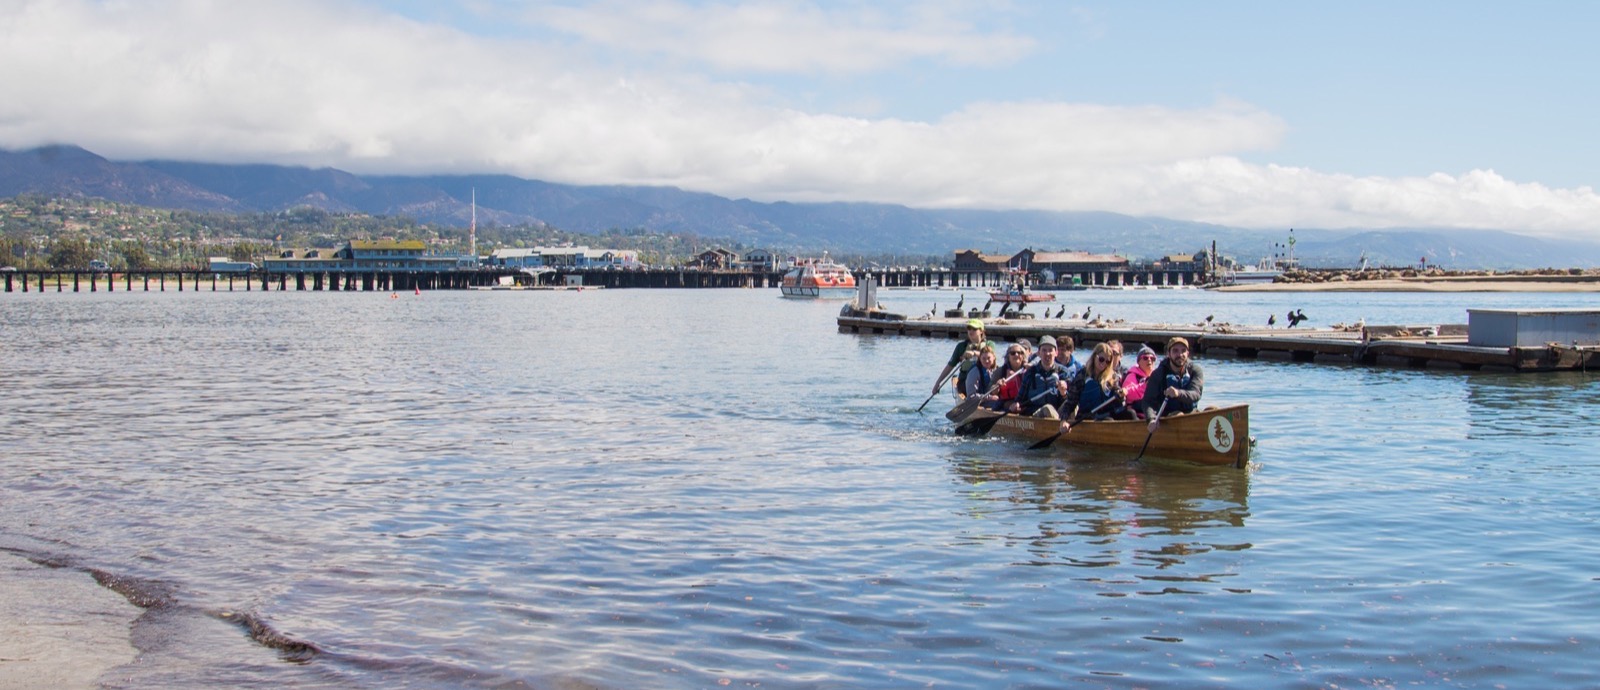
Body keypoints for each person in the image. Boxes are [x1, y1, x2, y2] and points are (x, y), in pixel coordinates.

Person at [1142, 336, 1204, 429]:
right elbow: (1148, 401)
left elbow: (1196, 394)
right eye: (1175, 351)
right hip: (1169, 416)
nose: (1180, 354)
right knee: (1179, 416)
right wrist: (1151, 419)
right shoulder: (1159, 374)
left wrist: (1178, 393)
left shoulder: (1195, 370)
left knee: (1213, 409)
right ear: (1168, 354)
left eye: (1183, 351)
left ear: (1188, 353)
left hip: (1192, 413)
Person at [1060, 342, 1127, 426]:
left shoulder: (1112, 377)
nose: (1104, 363)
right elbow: (1070, 403)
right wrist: (1063, 421)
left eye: (1108, 361)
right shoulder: (1082, 375)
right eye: (1101, 359)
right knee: (1108, 421)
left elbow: (1119, 398)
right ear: (1095, 356)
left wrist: (1121, 395)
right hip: (1087, 416)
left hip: (1107, 414)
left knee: (1130, 413)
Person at [1012, 335, 1070, 418]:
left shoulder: (1063, 372)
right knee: (1047, 408)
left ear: (1056, 353)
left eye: (1050, 350)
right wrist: (1016, 404)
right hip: (1035, 414)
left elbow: (1070, 399)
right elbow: (1020, 398)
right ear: (1039, 353)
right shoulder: (1031, 372)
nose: (1047, 354)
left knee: (1073, 407)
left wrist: (1064, 393)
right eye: (1044, 350)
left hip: (1059, 415)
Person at [932, 319, 994, 397]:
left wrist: (974, 353)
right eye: (969, 328)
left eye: (974, 329)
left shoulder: (989, 345)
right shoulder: (961, 347)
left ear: (981, 331)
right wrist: (938, 383)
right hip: (965, 381)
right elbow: (950, 366)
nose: (971, 331)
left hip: (986, 380)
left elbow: (992, 357)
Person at [985, 343, 1031, 410]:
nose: (1016, 355)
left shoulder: (1029, 370)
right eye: (1013, 353)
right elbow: (990, 390)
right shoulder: (1000, 371)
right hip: (1006, 403)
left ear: (1023, 356)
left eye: (1019, 353)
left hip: (1024, 402)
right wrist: (997, 386)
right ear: (1008, 357)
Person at [1121, 345, 1158, 417]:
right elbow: (1128, 394)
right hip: (1138, 414)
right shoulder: (1132, 375)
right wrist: (1146, 385)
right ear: (1138, 362)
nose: (1149, 360)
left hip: (1154, 412)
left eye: (1152, 358)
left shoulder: (1157, 375)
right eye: (1145, 358)